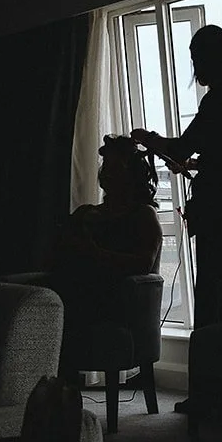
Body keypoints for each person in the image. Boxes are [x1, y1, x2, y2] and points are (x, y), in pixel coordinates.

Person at [133, 25, 222, 412]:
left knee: (211, 298)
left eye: (196, 58)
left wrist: (148, 138)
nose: (194, 66)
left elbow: (182, 146)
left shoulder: (218, 100)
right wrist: (195, 164)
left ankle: (210, 395)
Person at [50, 135, 163, 330]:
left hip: (109, 299)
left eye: (115, 167)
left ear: (132, 174)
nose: (107, 173)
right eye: (106, 166)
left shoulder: (143, 215)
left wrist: (93, 252)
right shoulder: (85, 213)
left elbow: (144, 263)